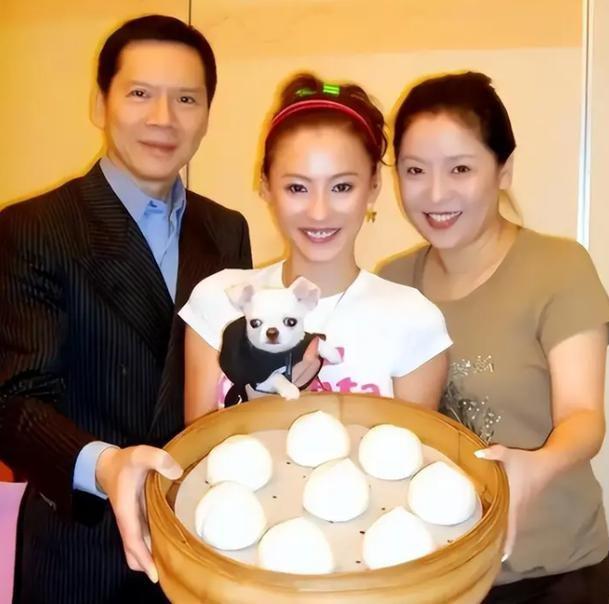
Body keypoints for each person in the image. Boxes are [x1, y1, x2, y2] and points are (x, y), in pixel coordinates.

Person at [0, 15, 251, 604]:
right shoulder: (32, 228)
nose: (163, 118)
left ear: (207, 114)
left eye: (186, 99)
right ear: (100, 103)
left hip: (206, 541)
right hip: (81, 550)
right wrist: (106, 467)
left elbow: (230, 381)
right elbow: (13, 404)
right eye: (140, 93)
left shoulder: (226, 229)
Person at [378, 71, 609, 604]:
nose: (435, 193)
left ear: (504, 170)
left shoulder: (559, 268)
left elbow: (583, 415)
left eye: (460, 168)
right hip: (435, 572)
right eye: (415, 170)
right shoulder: (391, 283)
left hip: (551, 573)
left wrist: (537, 465)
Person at [179, 73, 451, 423]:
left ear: (373, 186)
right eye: (297, 188)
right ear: (265, 185)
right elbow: (197, 446)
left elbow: (411, 452)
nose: (319, 212)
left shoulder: (412, 319)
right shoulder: (221, 299)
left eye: (341, 187)